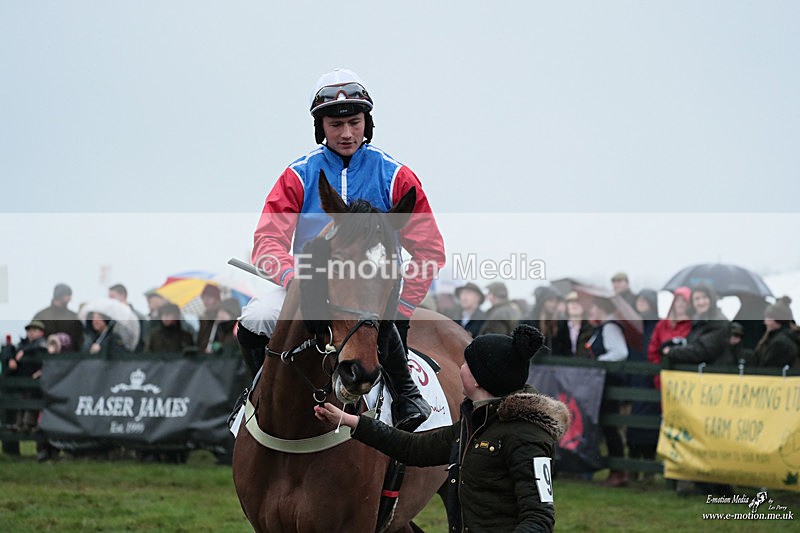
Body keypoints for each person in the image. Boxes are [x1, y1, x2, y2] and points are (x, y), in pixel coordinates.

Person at [236, 68, 445, 431]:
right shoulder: (297, 175)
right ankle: (257, 400)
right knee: (254, 321)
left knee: (383, 324)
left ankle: (407, 396)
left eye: (355, 122)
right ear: (321, 128)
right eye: (336, 124)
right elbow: (267, 243)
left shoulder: (396, 176)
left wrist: (401, 304)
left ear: (368, 122)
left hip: (373, 288)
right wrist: (296, 278)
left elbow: (429, 251)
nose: (347, 133)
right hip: (311, 286)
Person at [314, 325, 567, 532]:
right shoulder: (473, 423)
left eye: (467, 364)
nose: (460, 368)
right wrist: (352, 421)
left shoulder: (527, 436)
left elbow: (539, 517)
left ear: (479, 379)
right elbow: (412, 447)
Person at [585, 297, 629, 487]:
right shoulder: (601, 327)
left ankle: (618, 472)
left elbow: (620, 353)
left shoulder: (610, 327)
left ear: (602, 308)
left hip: (608, 384)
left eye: (593, 307)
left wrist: (599, 361)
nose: (591, 311)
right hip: (600, 383)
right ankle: (615, 470)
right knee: (607, 427)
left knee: (611, 427)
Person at [663, 284, 732, 367]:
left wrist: (672, 351)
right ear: (692, 302)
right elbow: (692, 344)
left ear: (711, 299)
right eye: (697, 299)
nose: (701, 302)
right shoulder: (698, 321)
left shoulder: (718, 321)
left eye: (704, 297)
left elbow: (702, 351)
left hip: (716, 374)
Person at [648, 286, 693, 390]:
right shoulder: (662, 324)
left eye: (684, 300)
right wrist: (660, 369)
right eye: (677, 300)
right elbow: (653, 349)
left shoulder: (694, 325)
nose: (680, 303)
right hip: (663, 377)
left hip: (687, 378)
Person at [32, 283, 84, 353]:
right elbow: (32, 337)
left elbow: (80, 339)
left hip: (69, 359)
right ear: (61, 296)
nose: (70, 299)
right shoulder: (41, 316)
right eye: (68, 295)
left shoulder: (74, 317)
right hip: (45, 359)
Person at [753, 296, 799, 368]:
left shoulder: (780, 342)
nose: (765, 322)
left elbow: (769, 369)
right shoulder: (787, 338)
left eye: (768, 318)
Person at [109, 283, 148, 352]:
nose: (109, 301)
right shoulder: (111, 318)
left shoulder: (139, 317)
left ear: (123, 296)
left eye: (112, 297)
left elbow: (143, 341)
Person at [551, 291, 592, 357]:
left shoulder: (591, 327)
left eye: (578, 302)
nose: (574, 304)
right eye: (570, 302)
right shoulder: (559, 327)